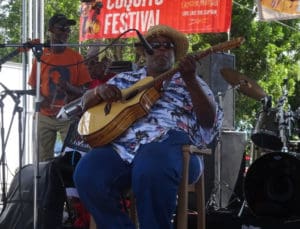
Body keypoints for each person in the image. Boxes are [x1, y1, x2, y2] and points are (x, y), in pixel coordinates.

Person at [73, 24, 223, 228]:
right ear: (144, 52)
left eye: (167, 46)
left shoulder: (191, 81)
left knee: (151, 164)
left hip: (176, 149)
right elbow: (84, 103)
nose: (161, 49)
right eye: (154, 45)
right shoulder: (126, 79)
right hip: (123, 149)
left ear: (174, 53)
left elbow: (209, 121)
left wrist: (191, 81)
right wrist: (98, 92)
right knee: (87, 172)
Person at [28, 13, 92, 162]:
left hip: (69, 116)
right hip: (44, 116)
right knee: (42, 162)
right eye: (61, 28)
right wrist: (40, 98)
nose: (66, 32)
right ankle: (46, 185)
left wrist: (70, 88)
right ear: (51, 29)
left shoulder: (76, 57)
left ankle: (69, 185)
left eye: (67, 29)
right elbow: (33, 87)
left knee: (73, 159)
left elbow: (85, 92)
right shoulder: (40, 56)